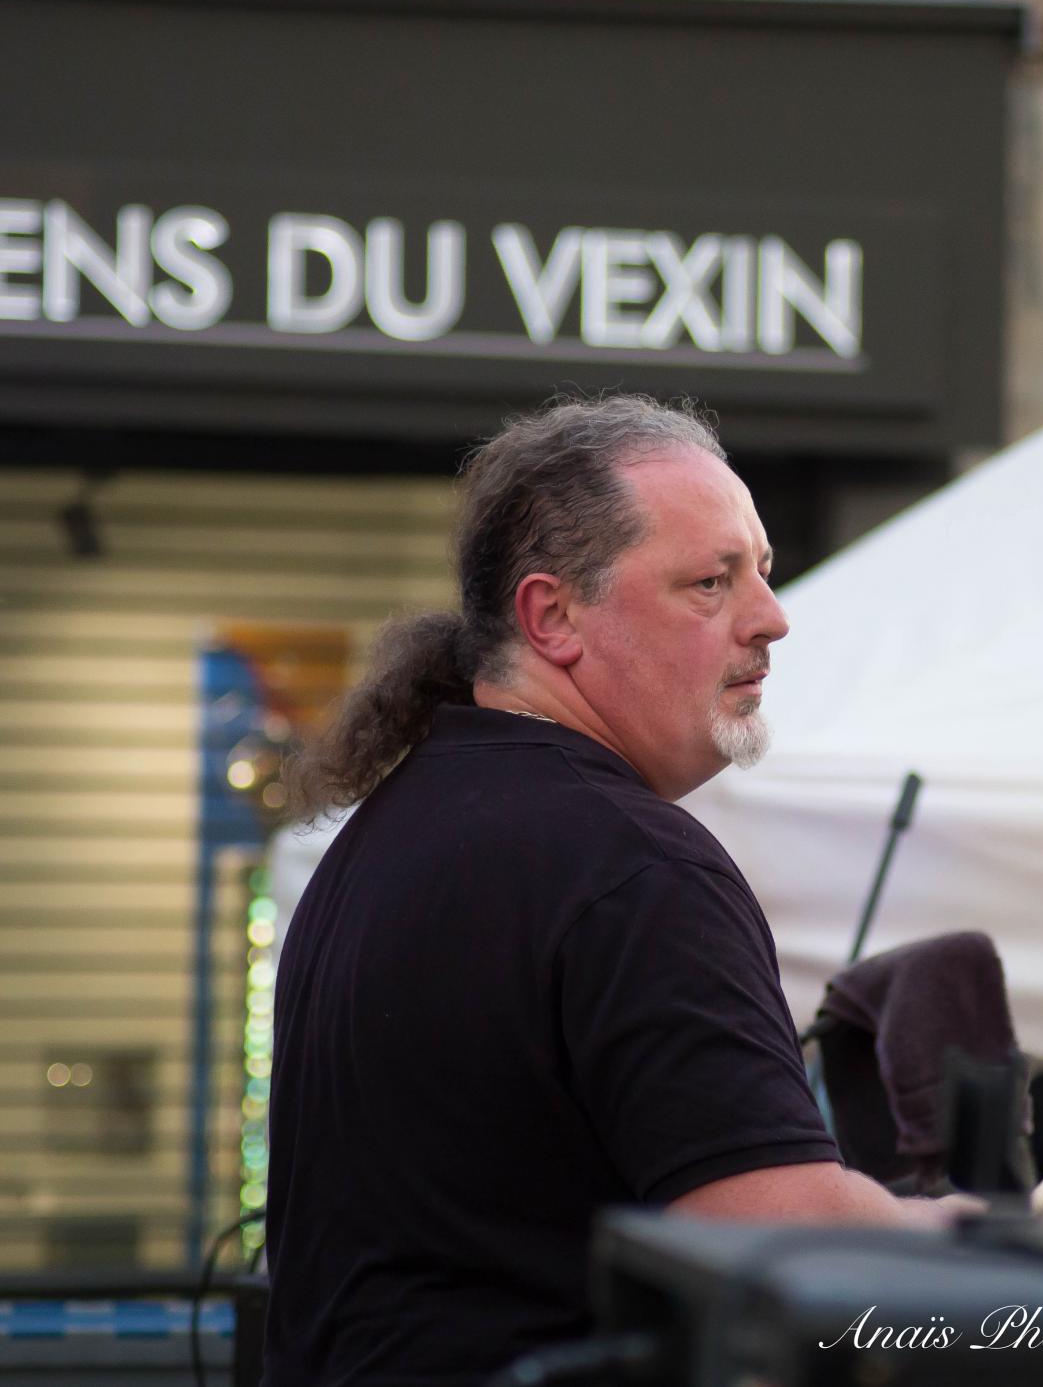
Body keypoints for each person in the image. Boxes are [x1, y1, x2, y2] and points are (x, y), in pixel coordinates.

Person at [265, 396, 957, 1387]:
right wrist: (960, 1238)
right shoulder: (631, 864)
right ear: (551, 616)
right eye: (710, 582)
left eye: (763, 570)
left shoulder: (383, 834)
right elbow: (781, 1240)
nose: (772, 617)